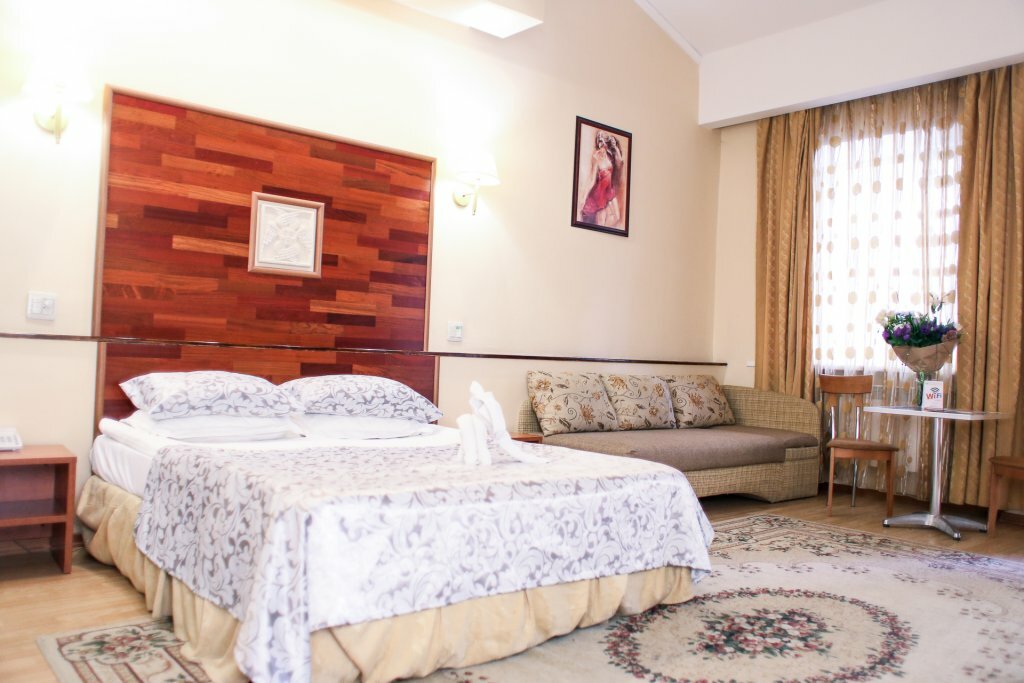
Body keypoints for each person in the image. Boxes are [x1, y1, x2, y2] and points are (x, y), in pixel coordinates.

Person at [578, 131, 623, 227]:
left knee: (617, 218)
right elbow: (592, 179)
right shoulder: (596, 157)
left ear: (606, 142)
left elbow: (620, 162)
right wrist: (583, 197)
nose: (601, 143)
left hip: (609, 191)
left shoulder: (609, 154)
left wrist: (615, 147)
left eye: (603, 140)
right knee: (600, 224)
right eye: (599, 140)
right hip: (600, 195)